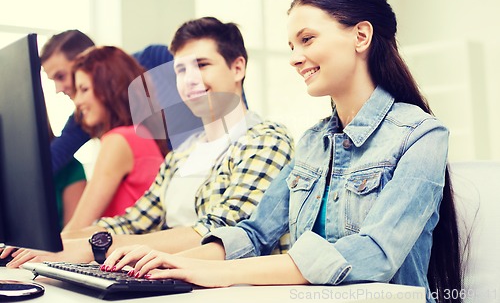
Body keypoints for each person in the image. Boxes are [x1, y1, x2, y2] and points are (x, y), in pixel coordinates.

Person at [97, 0, 463, 303]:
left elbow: (375, 252)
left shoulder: (421, 134)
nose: (293, 58)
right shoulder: (313, 142)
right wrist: (182, 261)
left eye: (307, 40)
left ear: (361, 36)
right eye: (291, 45)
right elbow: (254, 233)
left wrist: (217, 273)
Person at [4, 17, 294, 266]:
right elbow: (134, 221)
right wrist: (56, 243)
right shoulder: (182, 154)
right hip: (174, 280)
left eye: (202, 65)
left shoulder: (266, 140)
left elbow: (220, 230)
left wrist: (94, 248)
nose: (190, 79)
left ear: (237, 68)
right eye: (180, 70)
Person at [40, 30, 174, 174]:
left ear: (86, 62)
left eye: (61, 76)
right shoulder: (88, 114)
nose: (58, 89)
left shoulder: (155, 59)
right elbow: (52, 158)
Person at [62, 46, 165, 231]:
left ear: (109, 88)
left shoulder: (119, 140)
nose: (77, 101)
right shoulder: (142, 135)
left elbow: (77, 228)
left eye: (84, 89)